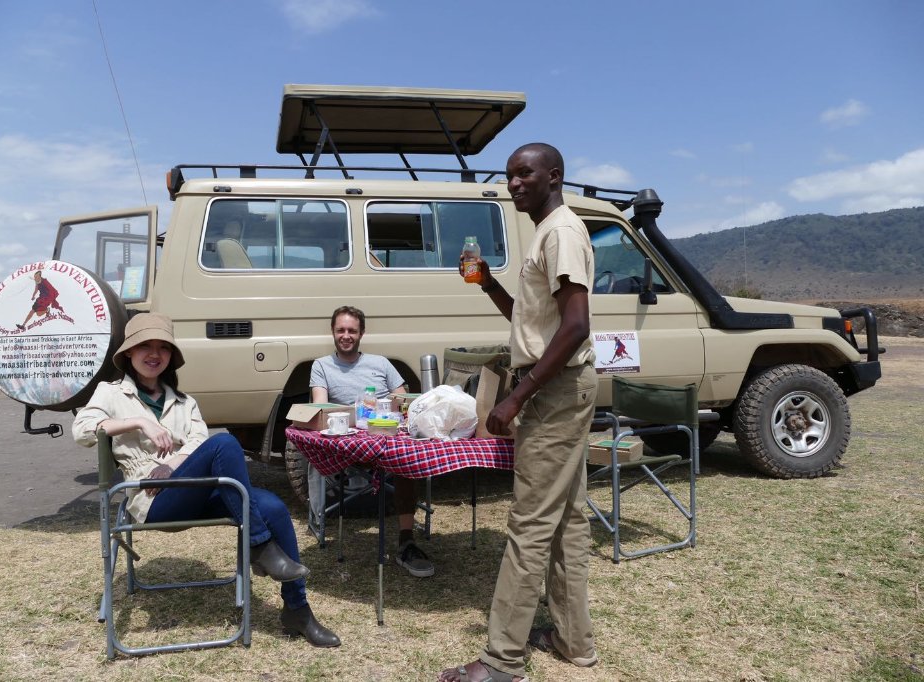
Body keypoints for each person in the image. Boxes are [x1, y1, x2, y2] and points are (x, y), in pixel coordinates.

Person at [73, 313, 340, 648]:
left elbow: (199, 442)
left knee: (273, 506)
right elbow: (82, 430)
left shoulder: (184, 402)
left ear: (171, 356)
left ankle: (298, 610)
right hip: (153, 500)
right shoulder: (111, 394)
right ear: (129, 353)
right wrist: (139, 423)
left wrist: (172, 465)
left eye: (162, 347)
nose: (154, 354)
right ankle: (259, 545)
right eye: (144, 346)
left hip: (193, 490)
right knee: (225, 443)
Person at [439, 143, 599, 681]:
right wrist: (489, 284)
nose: (513, 184)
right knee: (567, 518)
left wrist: (517, 395)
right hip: (559, 388)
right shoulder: (547, 233)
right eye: (509, 176)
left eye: (524, 173)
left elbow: (576, 326)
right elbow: (534, 325)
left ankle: (501, 660)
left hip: (555, 392)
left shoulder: (562, 232)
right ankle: (573, 640)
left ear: (554, 176)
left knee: (529, 524)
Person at [309, 305, 435, 578]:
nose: (346, 335)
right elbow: (321, 409)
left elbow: (403, 402)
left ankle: (406, 539)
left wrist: (386, 411)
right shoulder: (321, 366)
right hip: (349, 444)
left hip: (386, 435)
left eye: (352, 331)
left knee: (406, 461)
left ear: (362, 333)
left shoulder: (381, 363)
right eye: (341, 330)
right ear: (332, 332)